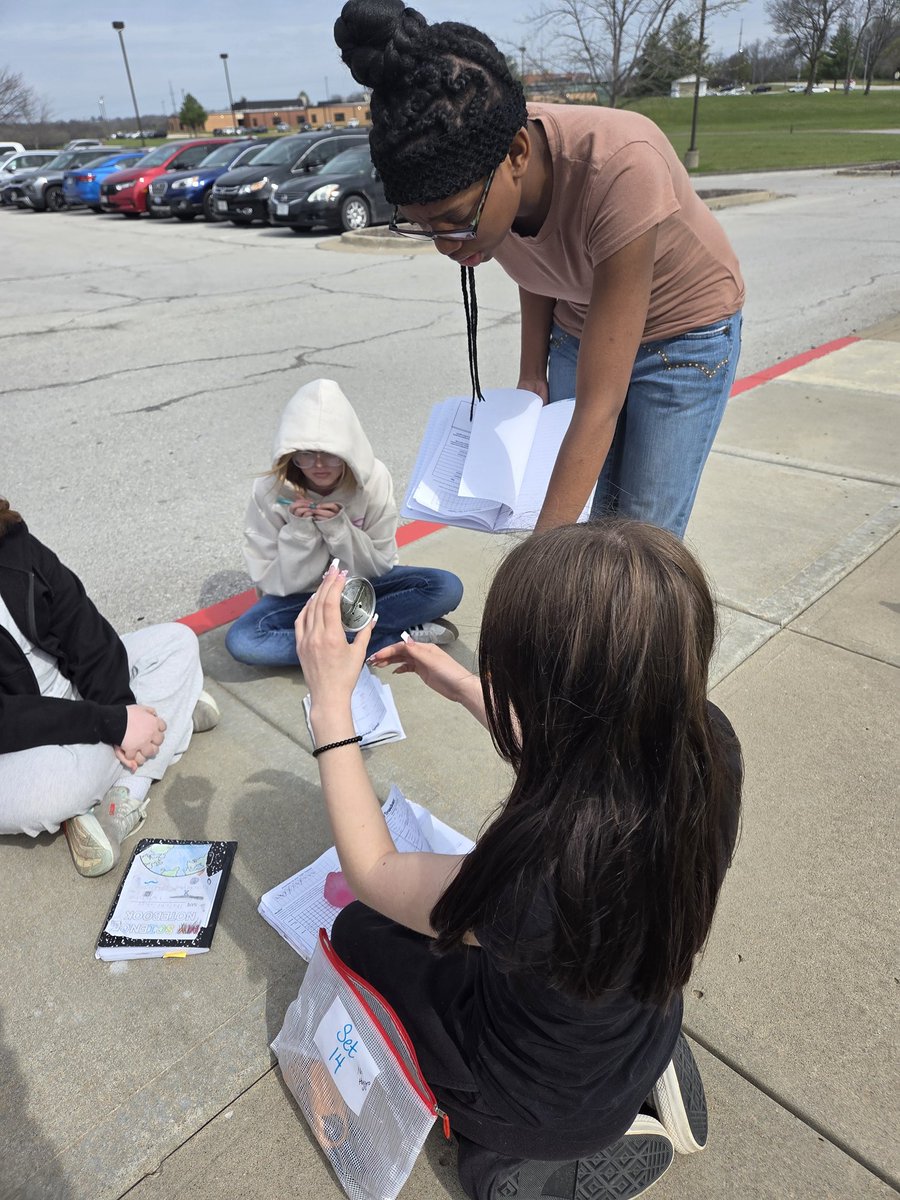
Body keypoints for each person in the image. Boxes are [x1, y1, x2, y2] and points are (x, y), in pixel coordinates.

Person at [294, 519, 743, 1200]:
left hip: (537, 1098)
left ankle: (530, 1153)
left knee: (360, 931)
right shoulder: (708, 746)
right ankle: (637, 1075)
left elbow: (374, 872)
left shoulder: (539, 871)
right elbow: (585, 743)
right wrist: (459, 684)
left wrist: (331, 709)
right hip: (640, 1017)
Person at [334, 0, 745, 538]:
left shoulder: (622, 166)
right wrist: (533, 372)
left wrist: (537, 561)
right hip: (579, 320)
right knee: (582, 510)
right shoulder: (483, 185)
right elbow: (540, 261)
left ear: (517, 154)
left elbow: (600, 405)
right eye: (422, 226)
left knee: (639, 534)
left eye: (454, 221)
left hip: (682, 334)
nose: (445, 245)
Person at [0, 499, 220, 877]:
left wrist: (121, 709)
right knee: (56, 792)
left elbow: (80, 625)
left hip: (73, 699)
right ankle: (170, 725)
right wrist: (111, 724)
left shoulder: (10, 538)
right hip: (15, 749)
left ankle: (119, 799)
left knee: (177, 642)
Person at [225, 377, 463, 667]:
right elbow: (272, 581)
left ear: (349, 452)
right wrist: (300, 533)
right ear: (290, 455)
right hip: (300, 597)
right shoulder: (269, 490)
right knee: (244, 641)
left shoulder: (374, 478)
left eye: (331, 455)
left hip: (361, 588)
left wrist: (339, 530)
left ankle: (335, 647)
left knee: (446, 587)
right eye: (305, 455)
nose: (319, 465)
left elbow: (380, 564)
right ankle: (394, 639)